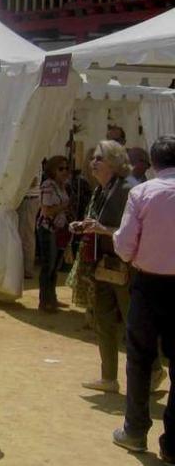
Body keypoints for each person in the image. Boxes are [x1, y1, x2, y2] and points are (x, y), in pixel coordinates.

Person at [73, 141, 162, 393]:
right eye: (93, 158)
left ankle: (155, 370)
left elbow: (135, 232)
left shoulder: (127, 189)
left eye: (99, 158)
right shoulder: (103, 188)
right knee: (103, 319)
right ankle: (108, 377)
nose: (93, 162)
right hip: (103, 263)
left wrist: (102, 230)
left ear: (113, 161)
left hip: (124, 266)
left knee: (135, 324)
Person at [111, 135, 175, 462]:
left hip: (148, 284)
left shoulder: (142, 192)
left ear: (152, 165)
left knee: (139, 358)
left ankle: (135, 431)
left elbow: (123, 246)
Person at [36, 156, 70, 312]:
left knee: (55, 266)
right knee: (48, 266)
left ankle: (52, 298)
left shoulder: (61, 186)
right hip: (48, 229)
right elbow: (46, 210)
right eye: (61, 168)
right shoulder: (48, 185)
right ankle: (44, 300)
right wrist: (63, 206)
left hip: (58, 230)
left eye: (66, 168)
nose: (65, 171)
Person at [19, 176, 41, 279]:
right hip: (25, 199)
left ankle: (27, 269)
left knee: (27, 236)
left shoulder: (32, 162)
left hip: (28, 199)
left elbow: (32, 181)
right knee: (24, 235)